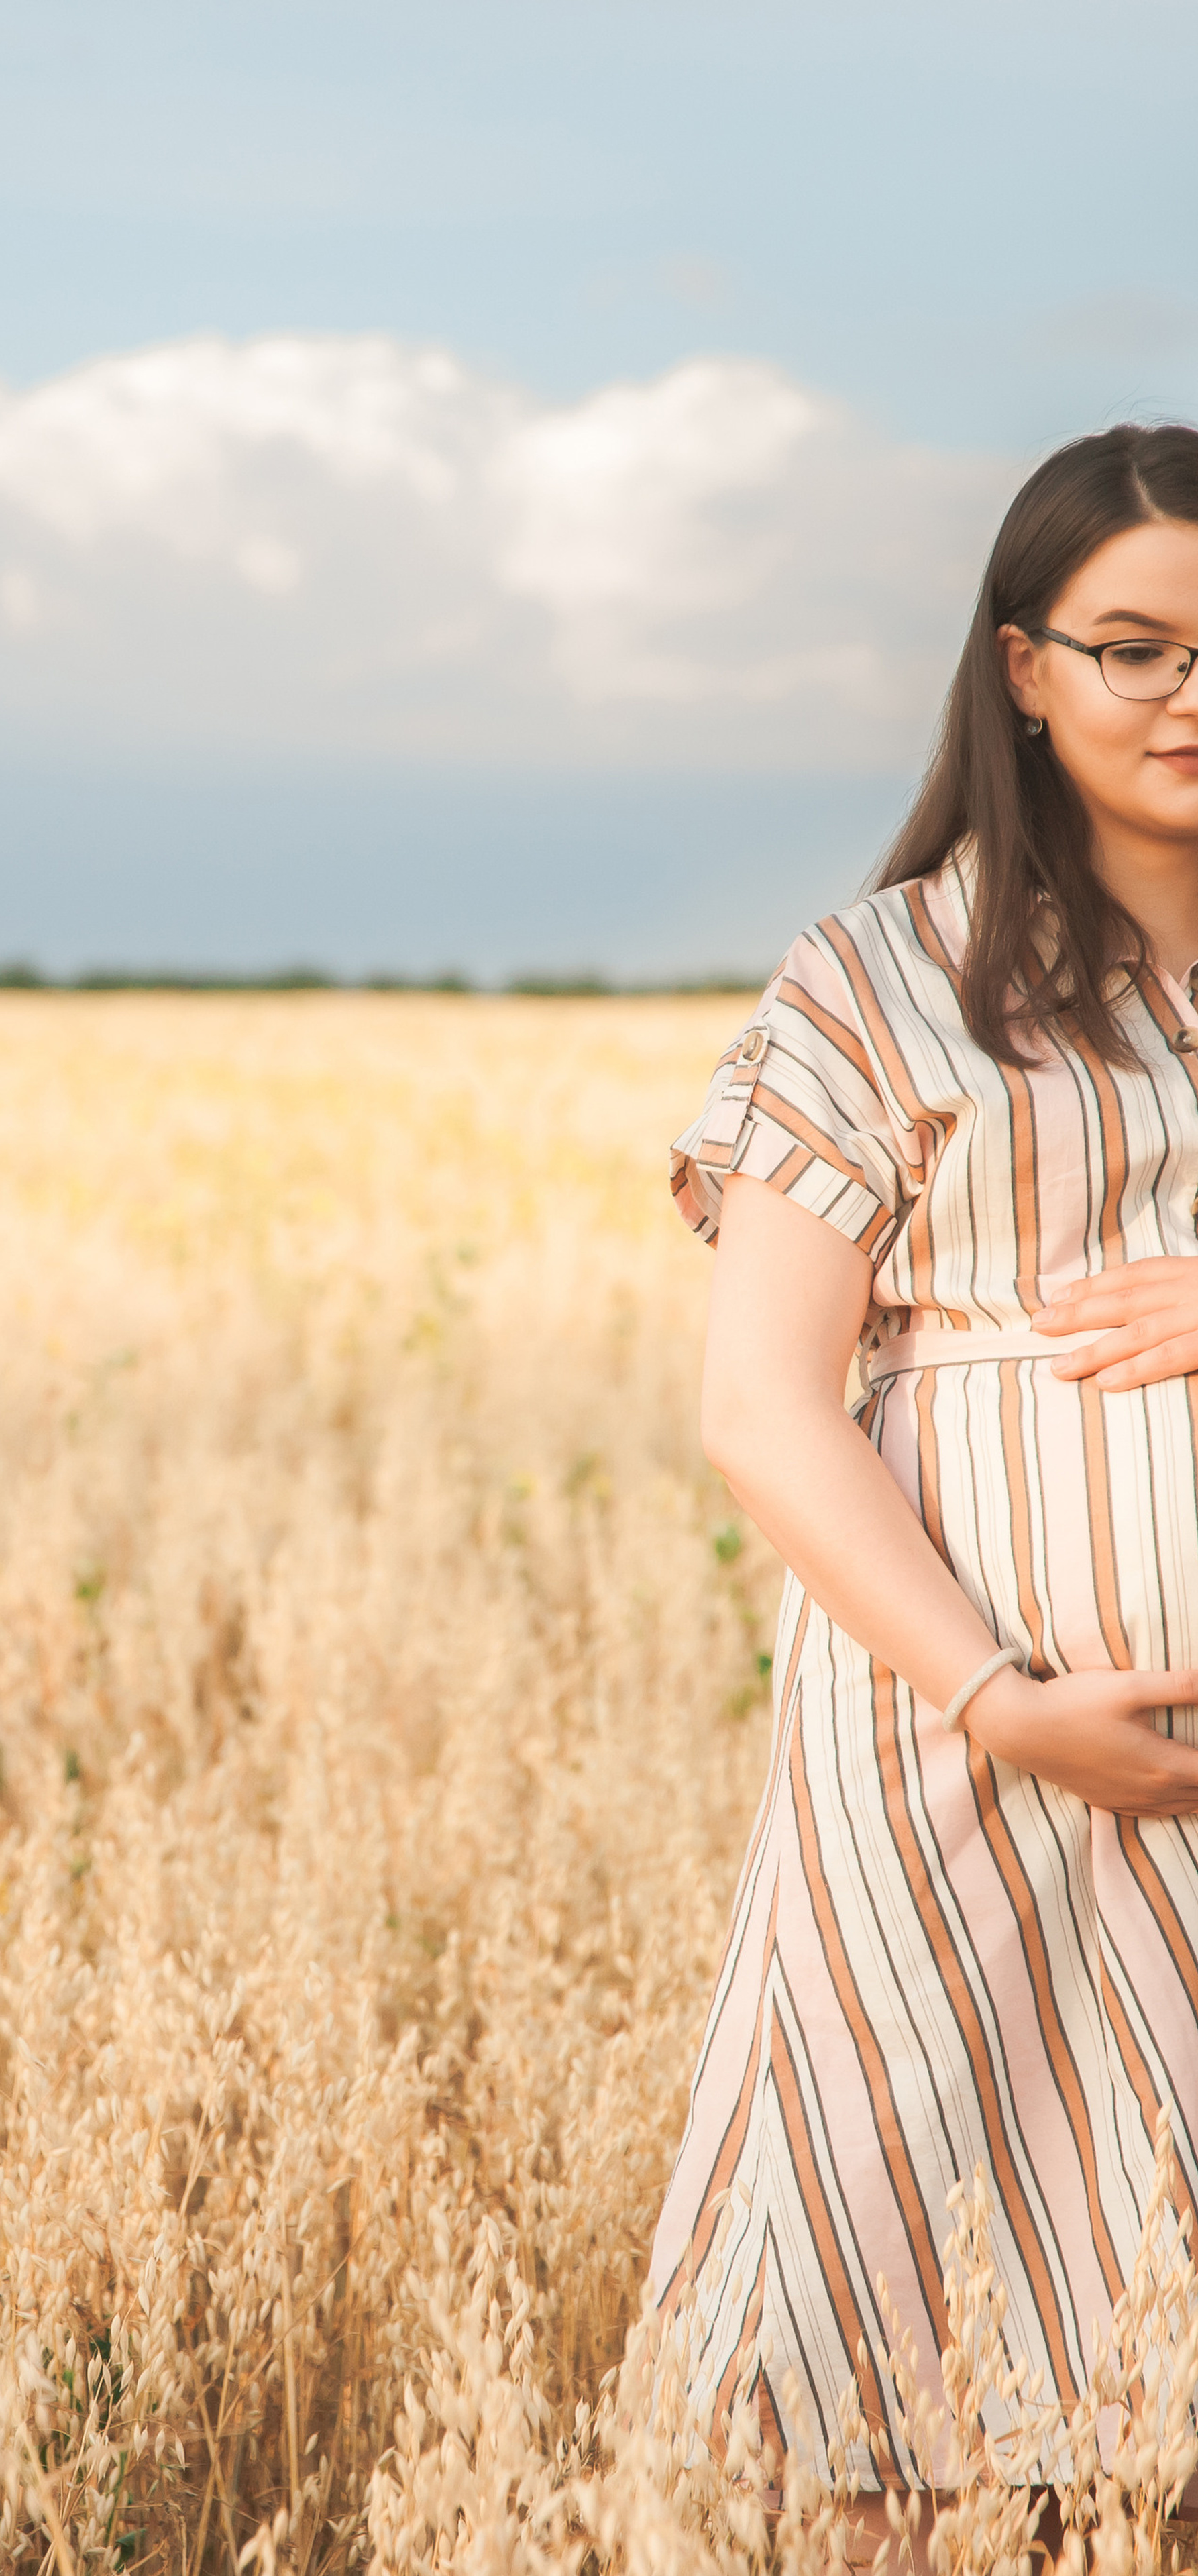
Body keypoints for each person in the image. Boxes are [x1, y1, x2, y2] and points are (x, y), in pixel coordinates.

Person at [648, 422, 1198, 2565]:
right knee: (914, 2282)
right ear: (1025, 667)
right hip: (961, 1741)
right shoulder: (880, 979)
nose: (1190, 693)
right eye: (1135, 646)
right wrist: (996, 1694)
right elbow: (765, 1409)